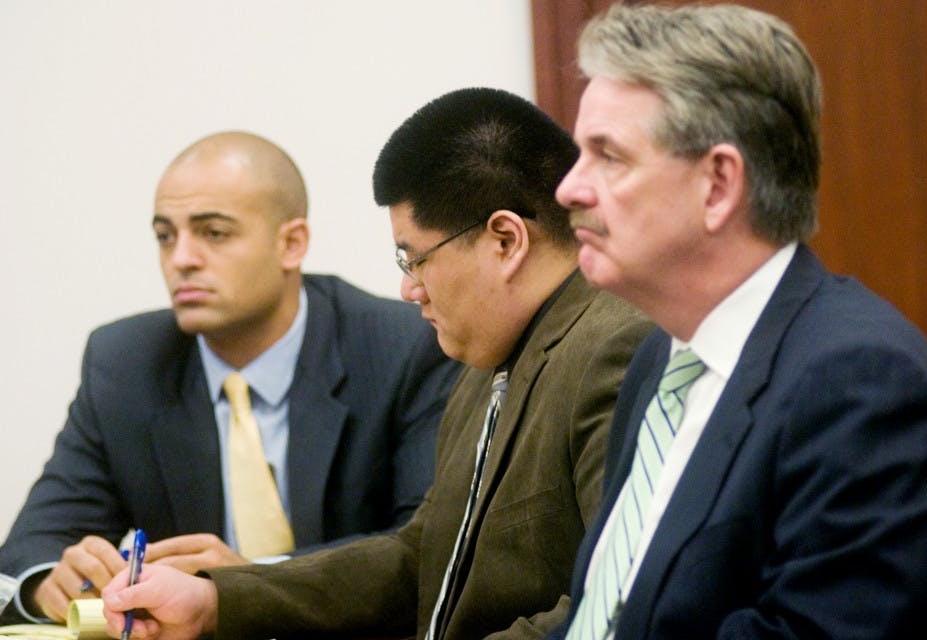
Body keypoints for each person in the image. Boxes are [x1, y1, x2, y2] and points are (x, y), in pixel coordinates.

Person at [101, 88, 652, 639]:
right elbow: (421, 559)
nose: (409, 288)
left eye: (415, 259)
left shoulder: (614, 348)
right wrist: (214, 600)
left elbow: (615, 610)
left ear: (505, 240)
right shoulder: (487, 364)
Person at [546, 2, 927, 639]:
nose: (569, 188)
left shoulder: (859, 385)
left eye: (609, 156)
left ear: (718, 185)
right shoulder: (660, 358)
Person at [0, 131, 461, 624]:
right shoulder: (125, 364)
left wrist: (250, 584)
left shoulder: (402, 348)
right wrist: (48, 583)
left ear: (292, 244)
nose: (181, 258)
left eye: (214, 233)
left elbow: (430, 548)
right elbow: (31, 547)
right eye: (165, 236)